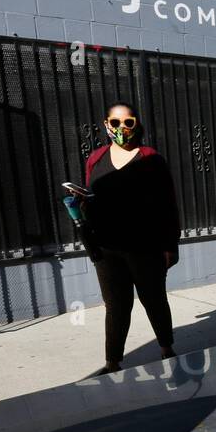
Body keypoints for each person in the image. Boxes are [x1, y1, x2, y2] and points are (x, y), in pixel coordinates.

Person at [75, 101, 181, 374]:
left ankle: (166, 347)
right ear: (106, 125)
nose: (122, 128)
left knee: (154, 299)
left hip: (145, 245)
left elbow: (167, 203)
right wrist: (82, 201)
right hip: (107, 246)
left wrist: (170, 245)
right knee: (116, 306)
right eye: (116, 123)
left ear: (136, 124)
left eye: (128, 122)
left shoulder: (150, 158)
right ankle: (113, 362)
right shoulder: (96, 159)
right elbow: (93, 195)